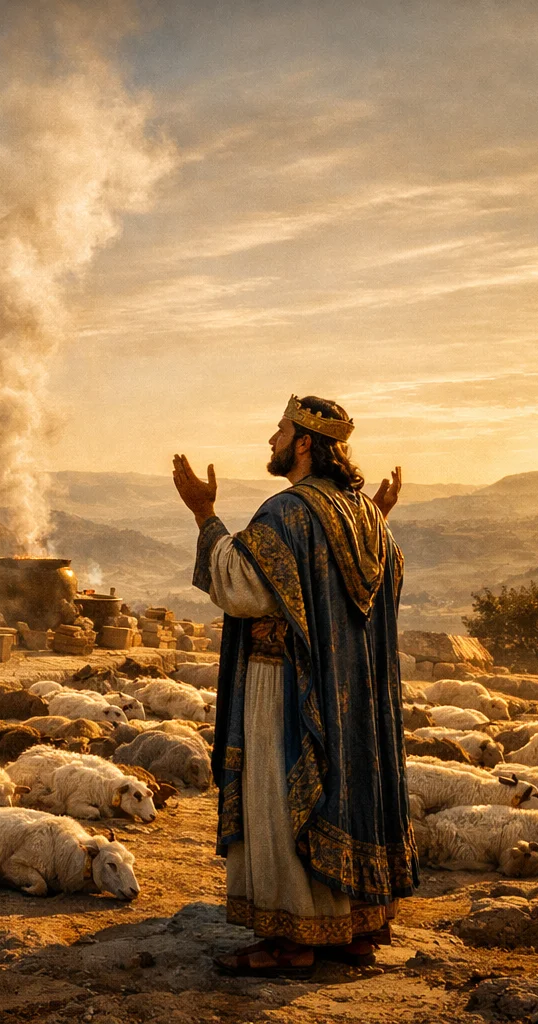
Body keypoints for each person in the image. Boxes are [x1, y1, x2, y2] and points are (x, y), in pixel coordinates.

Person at [172, 394, 412, 977]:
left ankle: (293, 940)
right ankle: (354, 929)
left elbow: (240, 586)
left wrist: (204, 515)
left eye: (279, 432)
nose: (271, 440)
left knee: (279, 801)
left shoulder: (289, 511)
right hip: (352, 693)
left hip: (286, 684)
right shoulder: (366, 517)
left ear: (305, 442)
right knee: (348, 791)